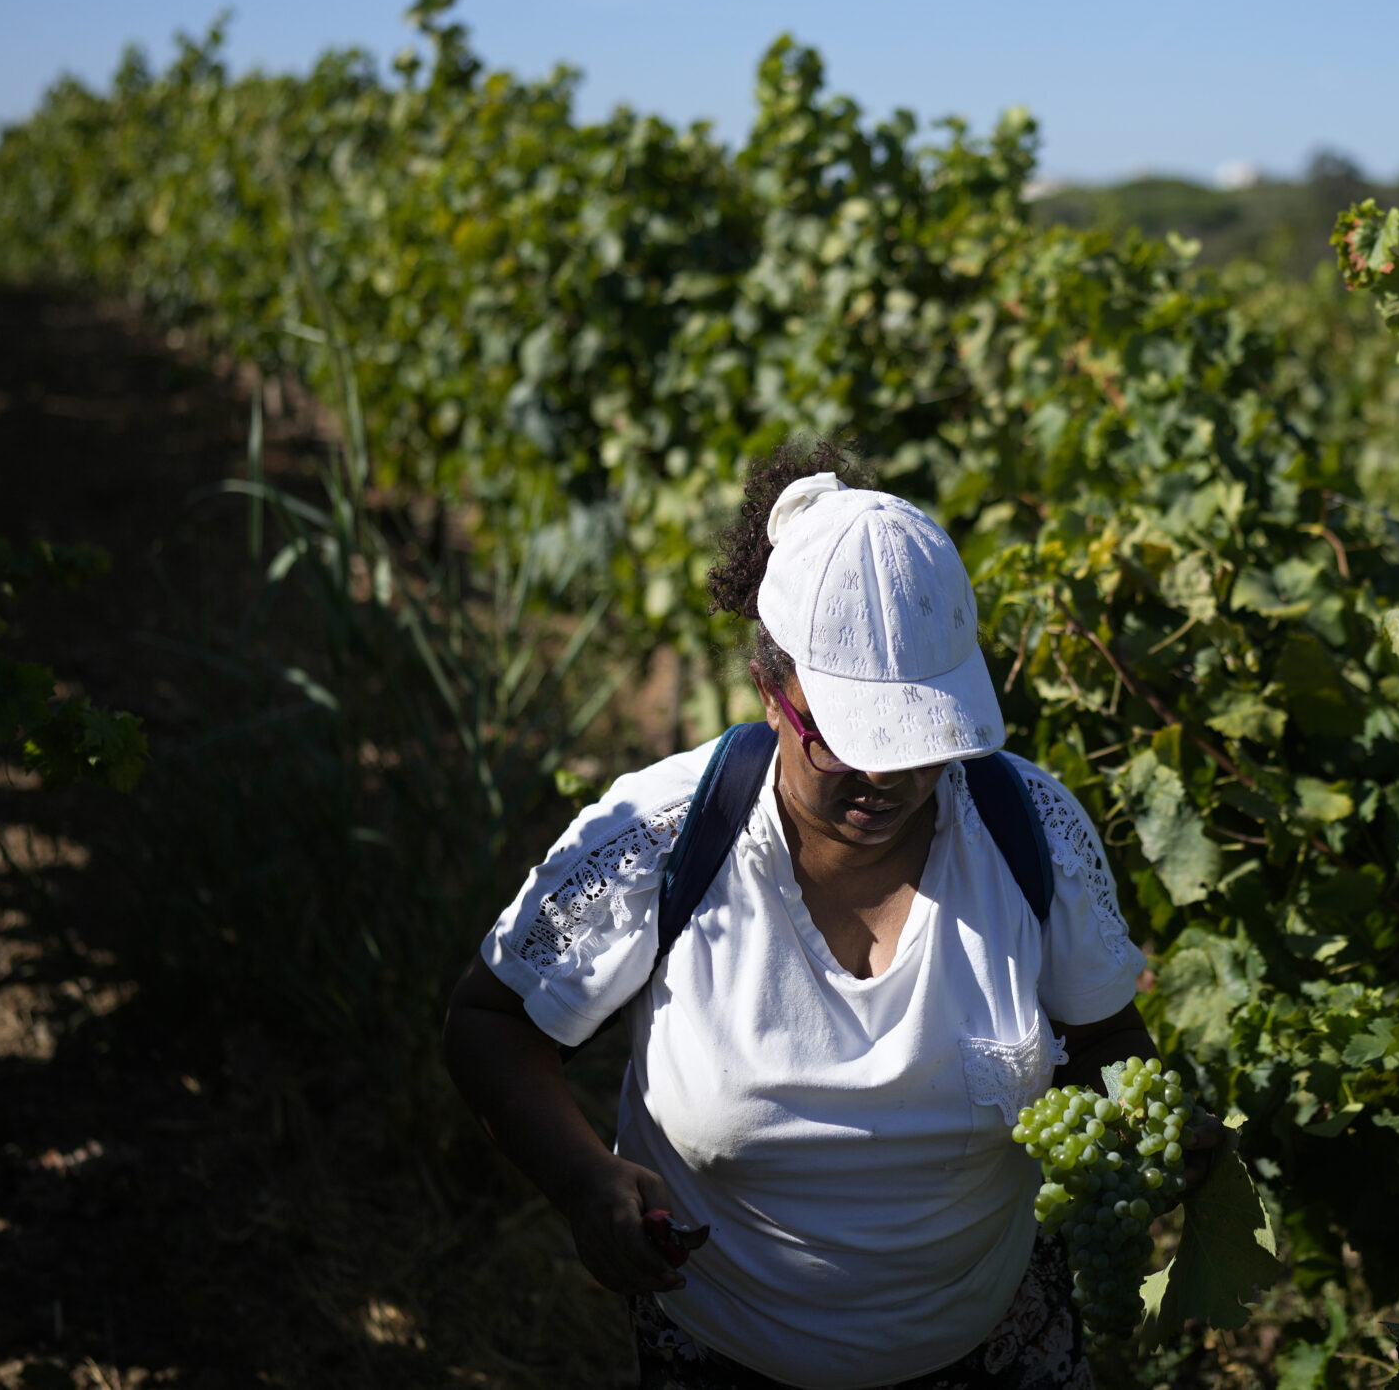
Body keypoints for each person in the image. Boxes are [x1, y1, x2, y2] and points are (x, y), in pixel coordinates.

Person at [443, 444, 1217, 1390]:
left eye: (920, 744)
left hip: (995, 1348)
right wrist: (584, 1182)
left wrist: (1160, 1130)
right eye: (849, 742)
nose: (887, 779)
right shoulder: (661, 837)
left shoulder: (1029, 831)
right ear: (772, 691)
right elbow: (490, 1022)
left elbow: (1107, 1042)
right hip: (725, 1353)